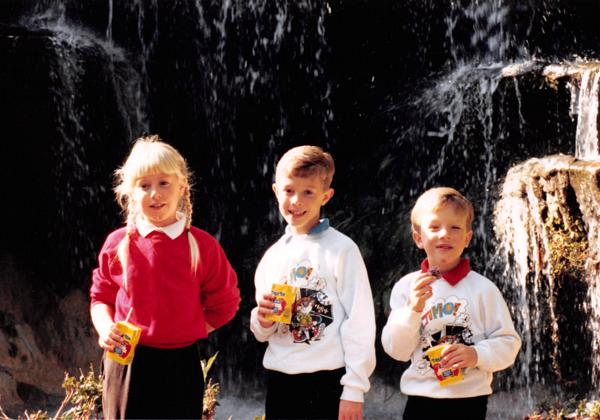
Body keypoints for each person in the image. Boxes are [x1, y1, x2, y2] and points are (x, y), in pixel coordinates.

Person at [90, 135, 240, 419]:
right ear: (131, 192)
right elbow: (101, 297)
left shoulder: (202, 245)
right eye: (144, 186)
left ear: (182, 186)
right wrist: (105, 327)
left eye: (163, 183)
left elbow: (226, 301)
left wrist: (189, 328)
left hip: (180, 364)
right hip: (126, 362)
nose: (154, 194)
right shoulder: (118, 242)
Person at [250, 145, 376, 420]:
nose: (296, 201)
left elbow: (360, 321)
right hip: (281, 380)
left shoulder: (342, 250)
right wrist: (263, 319)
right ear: (275, 191)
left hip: (328, 380)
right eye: (289, 191)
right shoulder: (273, 256)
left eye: (308, 192)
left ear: (326, 196)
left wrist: (354, 389)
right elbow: (261, 333)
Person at [381, 187, 521, 420]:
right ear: (418, 238)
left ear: (467, 238)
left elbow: (509, 343)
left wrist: (475, 354)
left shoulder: (483, 289)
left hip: (469, 401)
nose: (444, 234)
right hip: (420, 399)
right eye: (434, 227)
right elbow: (397, 350)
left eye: (455, 227)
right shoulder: (407, 287)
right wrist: (413, 310)